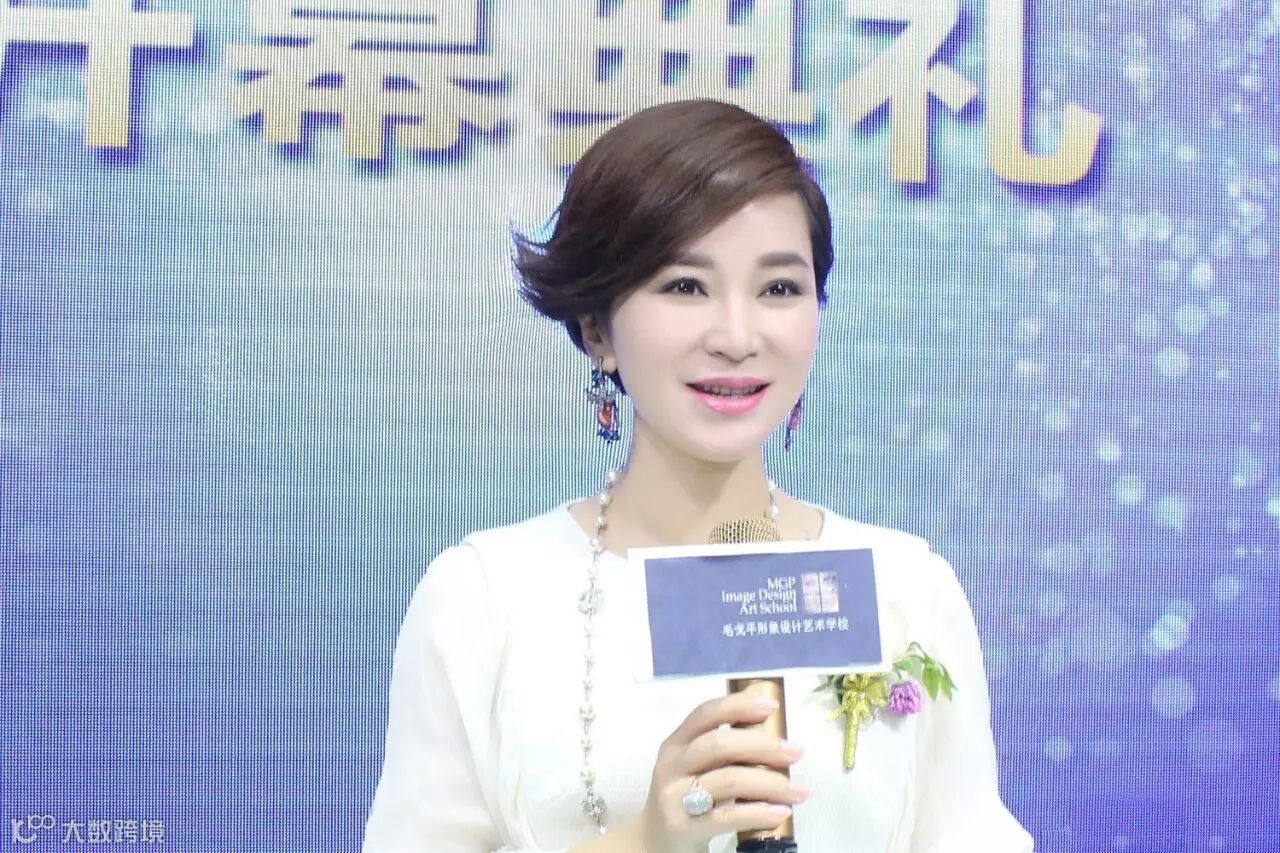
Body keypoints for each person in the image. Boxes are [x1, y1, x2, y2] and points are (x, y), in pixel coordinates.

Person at [362, 99, 1033, 853]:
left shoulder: (903, 587)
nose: (737, 337)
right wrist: (644, 838)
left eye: (778, 288)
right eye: (685, 286)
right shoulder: (486, 597)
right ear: (596, 327)